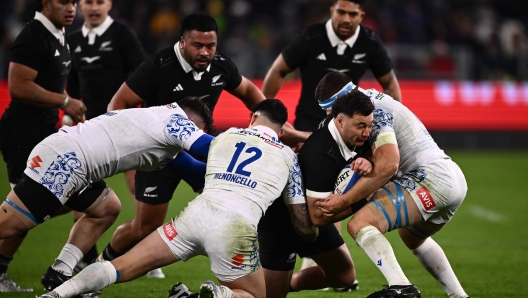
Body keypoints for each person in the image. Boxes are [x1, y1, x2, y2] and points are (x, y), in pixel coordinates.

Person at [38, 99, 318, 298]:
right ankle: (218, 295)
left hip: (195, 216)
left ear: (253, 118)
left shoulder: (225, 136)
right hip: (236, 228)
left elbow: (192, 164)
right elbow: (303, 227)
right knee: (255, 296)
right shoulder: (288, 157)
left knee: (118, 267)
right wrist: (319, 225)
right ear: (282, 131)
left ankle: (57, 295)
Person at [98, 12, 265, 272]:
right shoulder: (157, 67)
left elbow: (248, 91)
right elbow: (118, 104)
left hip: (200, 152)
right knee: (144, 227)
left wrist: (266, 125)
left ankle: (237, 267)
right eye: (198, 45)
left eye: (211, 46)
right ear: (183, 42)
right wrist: (130, 152)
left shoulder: (221, 66)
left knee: (231, 205)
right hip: (160, 157)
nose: (205, 52)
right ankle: (102, 263)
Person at [0, 97, 215, 294]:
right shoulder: (175, 121)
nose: (189, 145)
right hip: (65, 160)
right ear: (192, 123)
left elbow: (196, 171)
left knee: (106, 208)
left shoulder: (161, 131)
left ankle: (59, 273)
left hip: (74, 161)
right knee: (10, 225)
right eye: (199, 131)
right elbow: (209, 147)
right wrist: (246, 140)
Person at [262, 0, 401, 273]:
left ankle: (318, 256)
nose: (346, 18)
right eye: (341, 12)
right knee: (305, 192)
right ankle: (290, 248)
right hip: (310, 125)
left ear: (362, 15)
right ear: (332, 11)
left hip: (349, 129)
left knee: (339, 186)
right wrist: (270, 114)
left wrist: (389, 125)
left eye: (353, 13)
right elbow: (278, 70)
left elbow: (390, 83)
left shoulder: (370, 43)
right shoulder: (310, 38)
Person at [314, 73, 470, 298]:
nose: (329, 116)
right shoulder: (371, 101)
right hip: (451, 178)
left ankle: (402, 287)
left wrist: (346, 200)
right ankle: (459, 296)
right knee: (412, 237)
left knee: (360, 223)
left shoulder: (372, 112)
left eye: (330, 110)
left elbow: (389, 164)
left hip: (431, 179)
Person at [0, 0, 86, 292]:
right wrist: (64, 101)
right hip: (23, 132)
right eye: (64, 2)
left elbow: (47, 81)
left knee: (31, 206)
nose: (71, 7)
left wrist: (64, 113)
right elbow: (19, 86)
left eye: (74, 2)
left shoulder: (57, 34)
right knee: (24, 207)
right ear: (46, 3)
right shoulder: (34, 35)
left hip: (44, 131)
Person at [258, 86, 374, 297]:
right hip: (283, 220)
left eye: (369, 125)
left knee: (343, 276)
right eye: (360, 126)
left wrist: (366, 160)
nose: (367, 133)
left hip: (312, 207)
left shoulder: (347, 134)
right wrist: (363, 198)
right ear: (339, 121)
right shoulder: (321, 154)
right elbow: (318, 217)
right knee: (269, 296)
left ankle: (286, 283)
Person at [66, 0, 145, 272]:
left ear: (109, 4)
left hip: (123, 125)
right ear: (80, 5)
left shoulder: (123, 35)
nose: (94, 7)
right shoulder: (73, 39)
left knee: (140, 188)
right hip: (89, 129)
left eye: (100, 1)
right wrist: (68, 118)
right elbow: (73, 86)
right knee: (82, 192)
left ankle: (140, 249)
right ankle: (88, 258)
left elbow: (142, 76)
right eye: (88, 2)